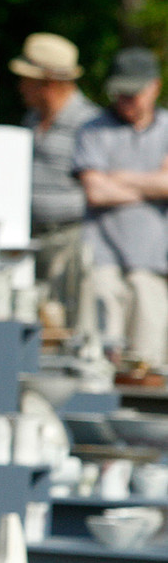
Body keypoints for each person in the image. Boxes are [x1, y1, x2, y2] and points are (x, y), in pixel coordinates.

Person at [76, 47, 168, 366]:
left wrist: (122, 178)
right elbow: (96, 192)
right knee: (97, 357)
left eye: (134, 93)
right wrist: (152, 183)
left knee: (147, 360)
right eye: (121, 93)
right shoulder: (93, 129)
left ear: (154, 86)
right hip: (102, 257)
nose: (126, 100)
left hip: (153, 263)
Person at [12, 33, 100, 331]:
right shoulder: (32, 120)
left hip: (69, 240)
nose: (21, 86)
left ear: (47, 82)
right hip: (32, 239)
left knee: (66, 324)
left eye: (27, 79)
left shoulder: (89, 124)